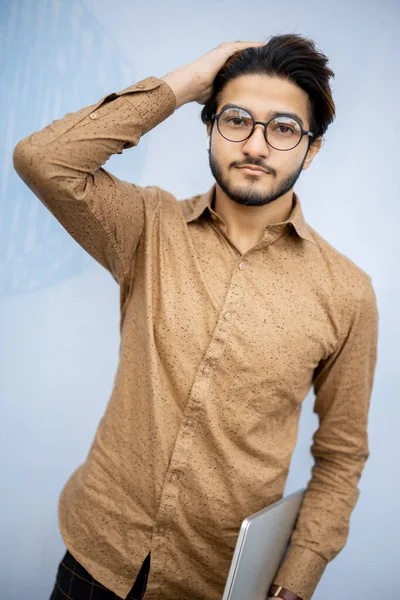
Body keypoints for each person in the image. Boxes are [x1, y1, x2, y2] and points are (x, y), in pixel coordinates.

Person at [13, 33, 379, 600]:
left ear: (311, 149)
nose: (256, 145)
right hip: (98, 559)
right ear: (209, 127)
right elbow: (44, 159)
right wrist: (184, 83)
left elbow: (341, 452)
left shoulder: (348, 293)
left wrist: (299, 573)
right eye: (236, 120)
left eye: (283, 128)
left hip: (216, 582)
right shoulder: (146, 227)